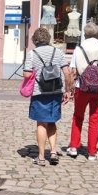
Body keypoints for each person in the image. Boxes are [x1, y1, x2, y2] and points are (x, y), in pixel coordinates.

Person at [66, 22, 98, 161]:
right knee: (95, 119)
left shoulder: (79, 49)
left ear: (85, 34)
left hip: (81, 87)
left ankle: (74, 147)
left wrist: (69, 90)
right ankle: (92, 152)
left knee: (78, 116)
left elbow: (73, 71)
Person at [23, 27, 72, 166]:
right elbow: (67, 73)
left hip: (40, 92)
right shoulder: (58, 52)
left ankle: (41, 157)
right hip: (56, 91)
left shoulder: (32, 54)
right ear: (48, 39)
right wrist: (68, 90)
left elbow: (27, 74)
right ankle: (54, 151)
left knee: (41, 123)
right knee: (52, 121)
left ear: (35, 40)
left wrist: (33, 73)